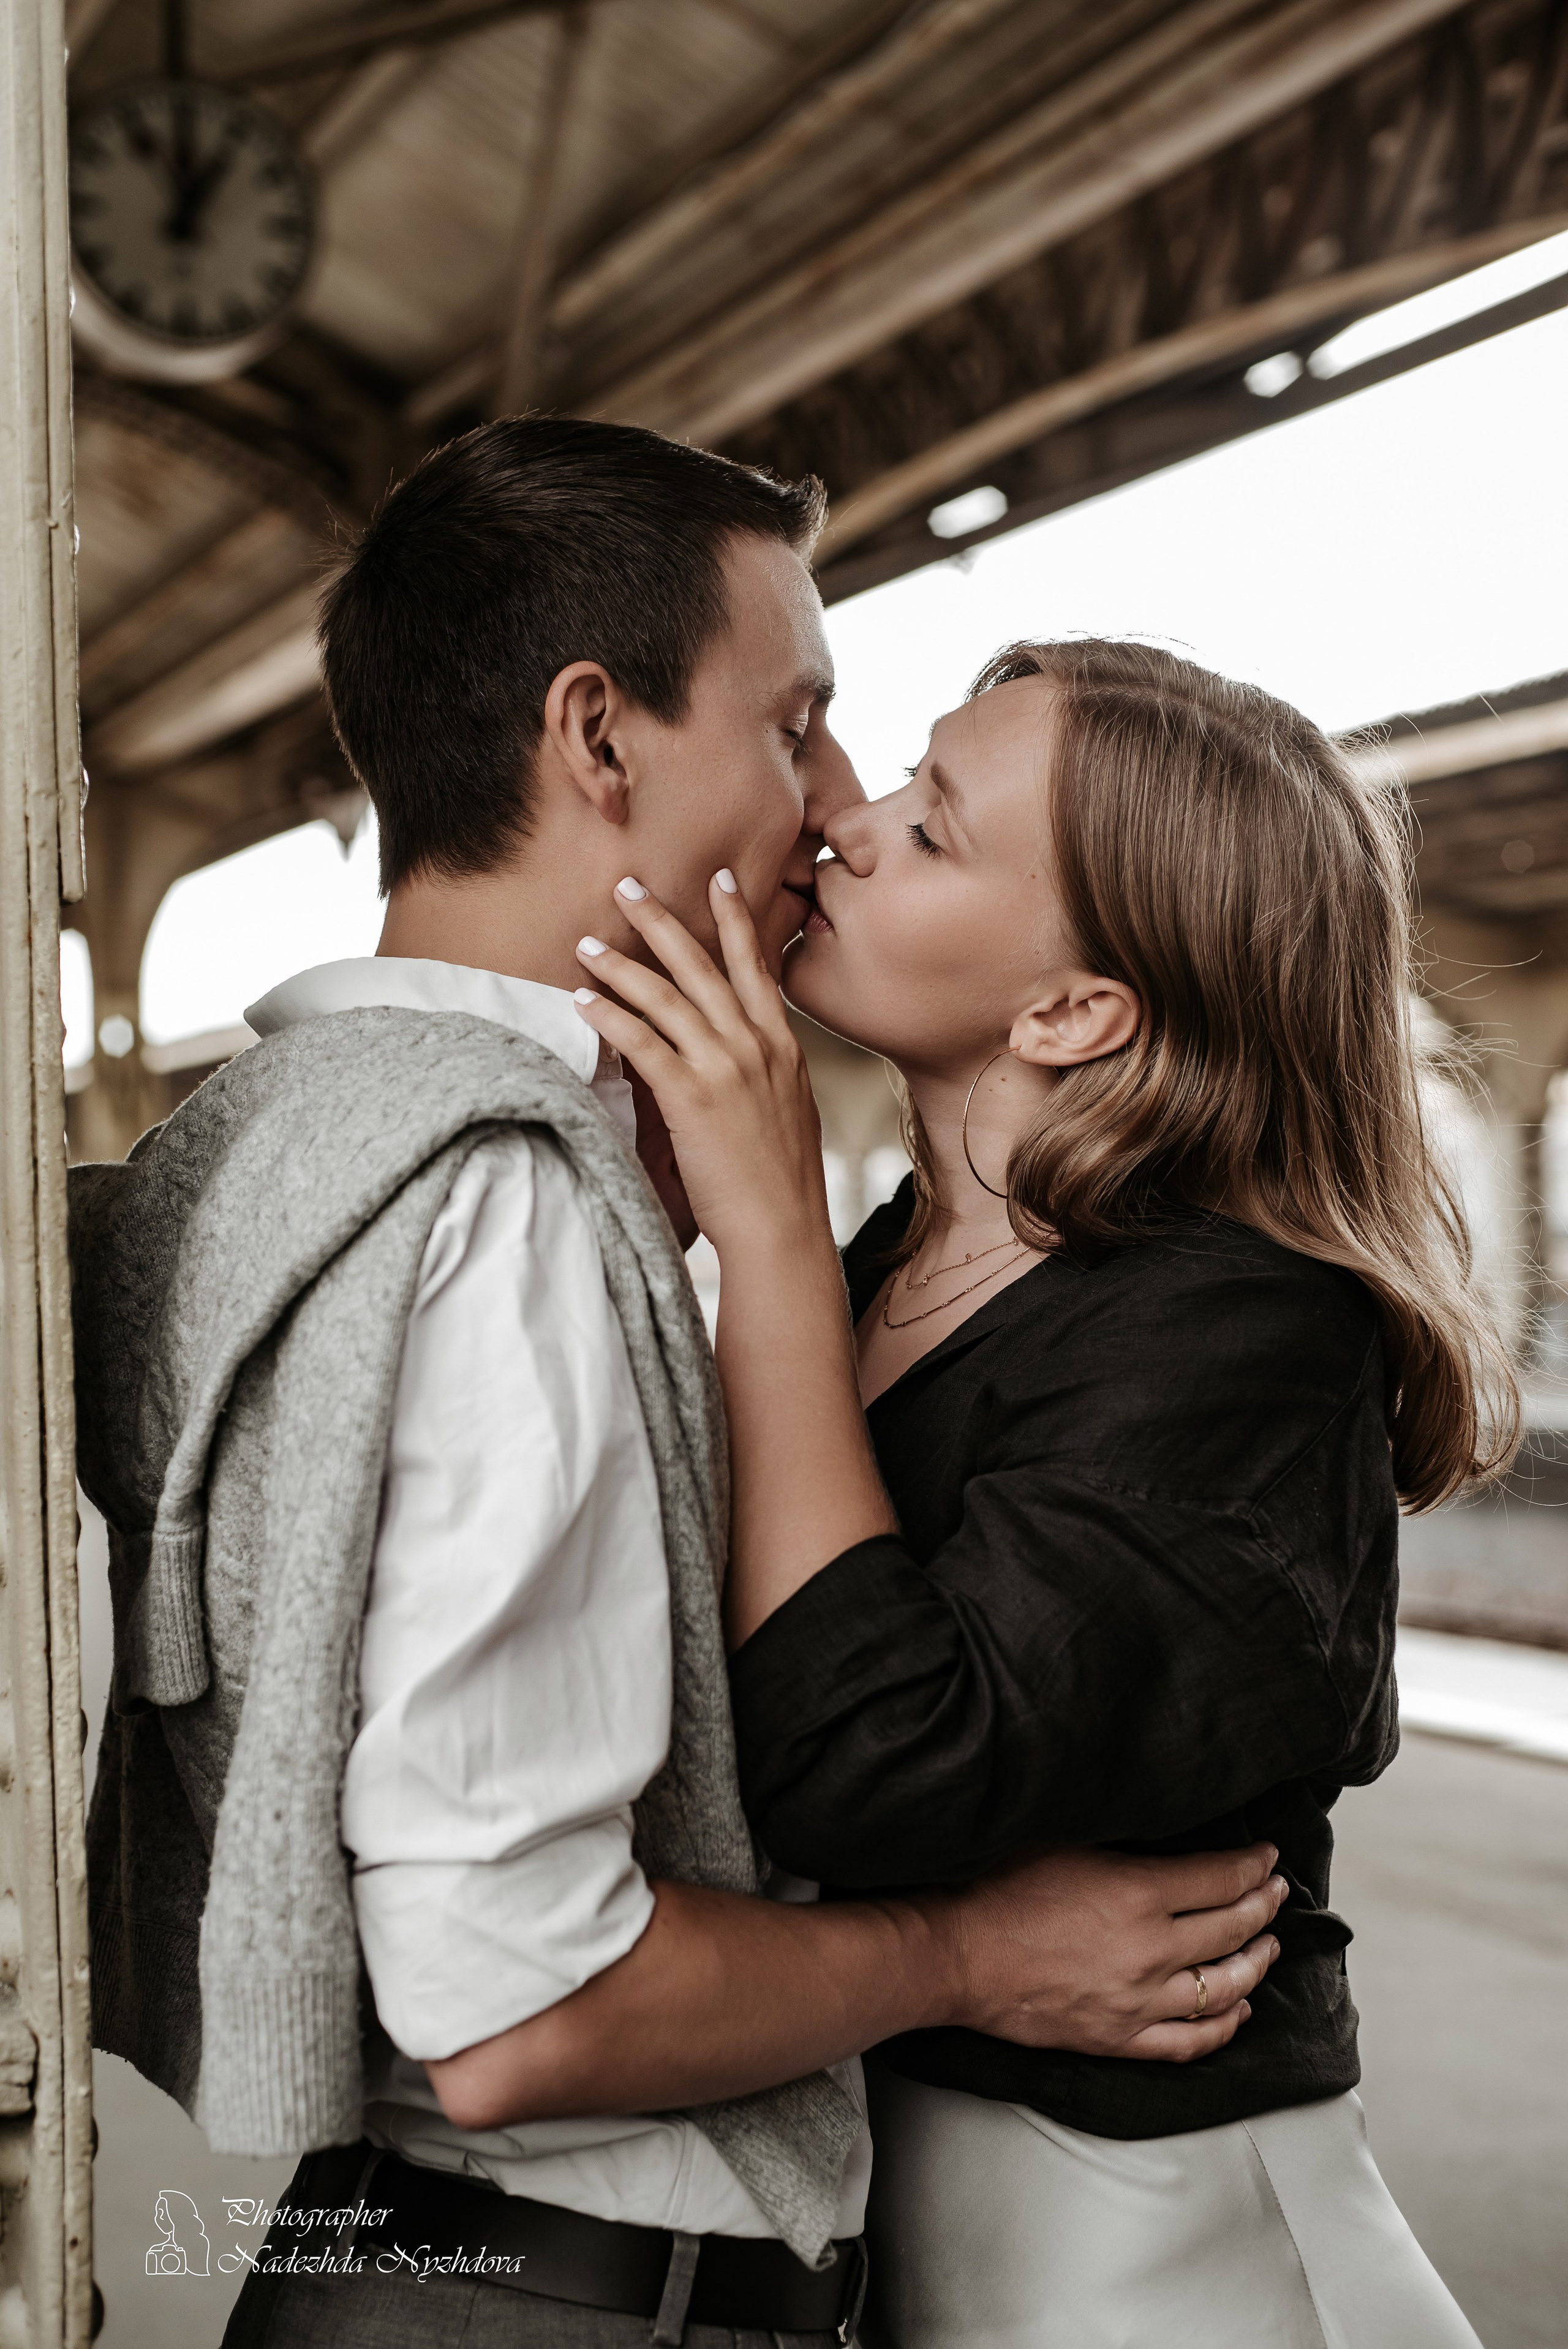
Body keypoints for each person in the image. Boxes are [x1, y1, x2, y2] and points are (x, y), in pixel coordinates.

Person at [70, 430, 1287, 2349]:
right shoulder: (509, 1197)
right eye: (796, 720)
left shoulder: (248, 1145)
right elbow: (516, 2008)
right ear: (599, 736)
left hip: (368, 2256)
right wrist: (976, 1951)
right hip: (561, 2297)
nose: (826, 802)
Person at [567, 636, 1518, 2348]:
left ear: (1073, 1012)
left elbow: (877, 1757)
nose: (847, 824)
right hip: (956, 2234)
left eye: (933, 826)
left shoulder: (1237, 1327)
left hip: (1181, 2257)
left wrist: (767, 1216)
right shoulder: (891, 1272)